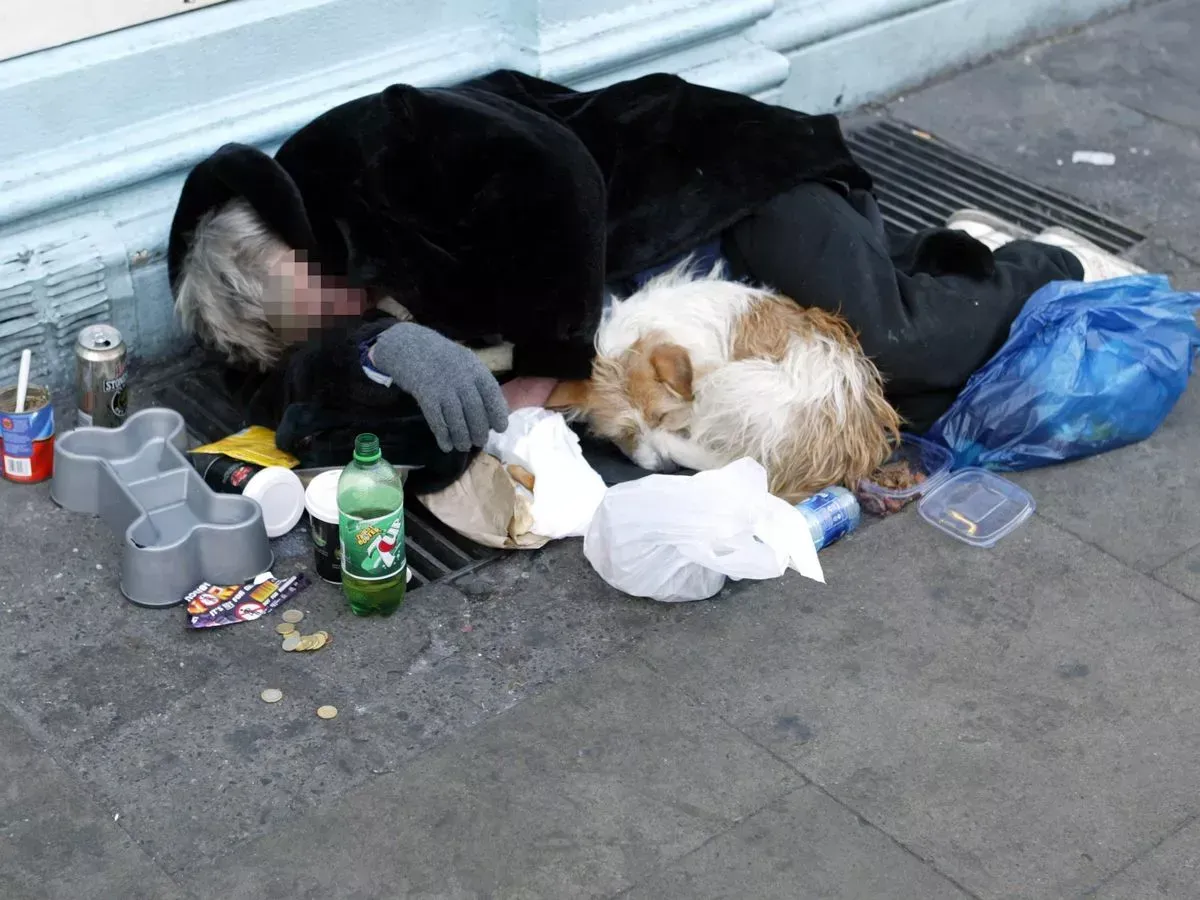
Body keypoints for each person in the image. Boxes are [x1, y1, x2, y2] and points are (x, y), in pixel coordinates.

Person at [166, 68, 1103, 493]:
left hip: (715, 175)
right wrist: (376, 347)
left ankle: (1041, 259)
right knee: (710, 428)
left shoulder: (369, 153)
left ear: (298, 253)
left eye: (332, 309)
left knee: (896, 352)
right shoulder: (284, 294)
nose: (346, 318)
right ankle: (911, 258)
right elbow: (293, 388)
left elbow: (558, 176)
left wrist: (545, 361)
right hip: (681, 285)